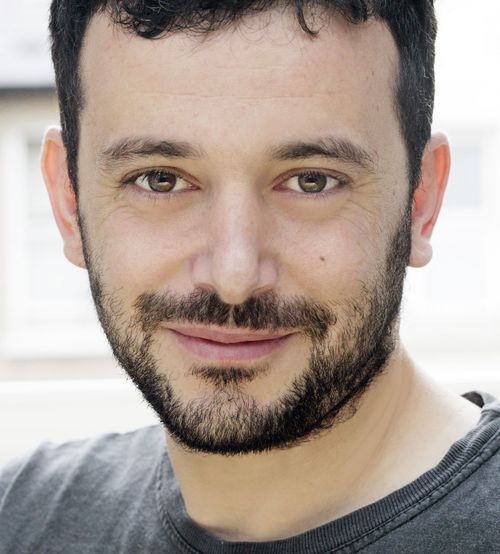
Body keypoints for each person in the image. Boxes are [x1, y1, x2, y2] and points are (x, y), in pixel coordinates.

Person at [1, 1, 499, 552]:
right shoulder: (18, 519)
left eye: (311, 181)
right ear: (68, 202)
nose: (233, 277)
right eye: (160, 180)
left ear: (420, 202)